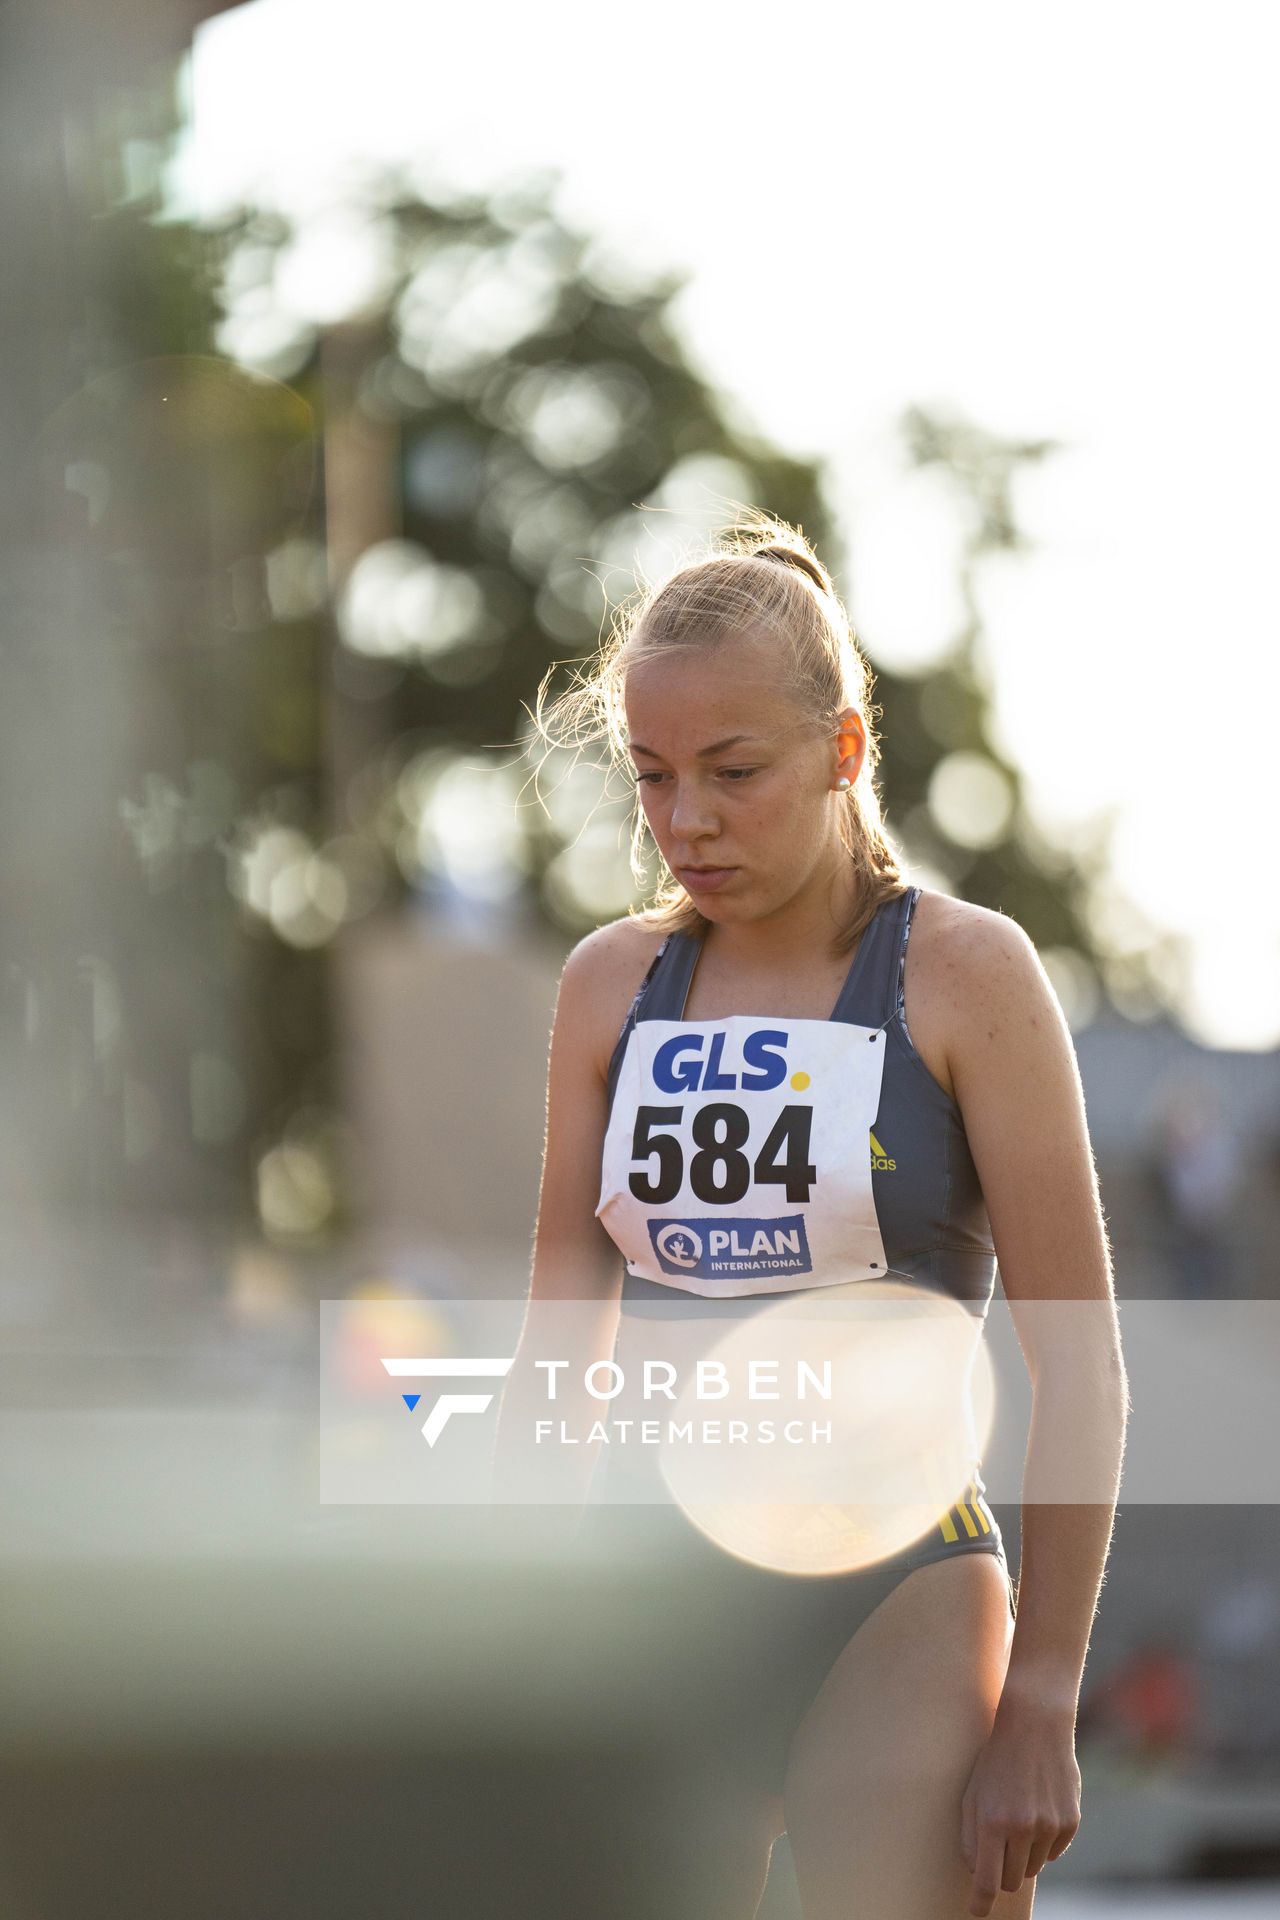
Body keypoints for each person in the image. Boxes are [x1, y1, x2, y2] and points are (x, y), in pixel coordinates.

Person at [494, 515, 1128, 1919]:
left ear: (844, 750)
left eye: (734, 773)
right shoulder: (611, 986)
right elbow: (557, 1353)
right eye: (653, 780)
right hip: (653, 1584)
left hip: (894, 1587)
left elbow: (1078, 1360)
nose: (688, 822)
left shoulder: (967, 976)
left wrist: (1042, 1700)